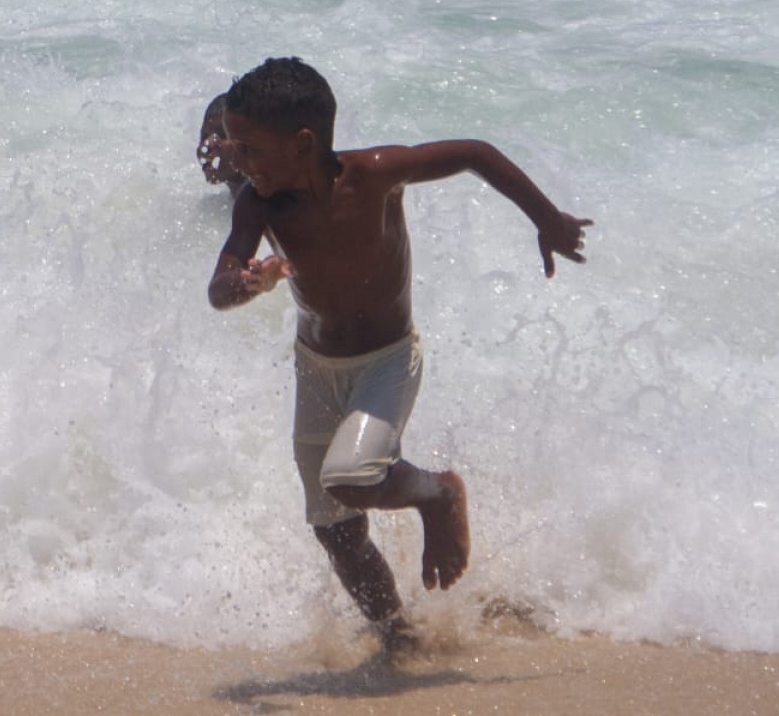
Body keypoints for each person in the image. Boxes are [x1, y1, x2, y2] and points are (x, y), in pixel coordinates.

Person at [204, 57, 589, 654]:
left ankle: (439, 495)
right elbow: (219, 286)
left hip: (386, 361)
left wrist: (547, 220)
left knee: (353, 477)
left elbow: (475, 154)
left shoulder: (374, 176)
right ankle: (399, 638)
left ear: (303, 144)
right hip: (316, 367)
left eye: (249, 147)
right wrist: (247, 283)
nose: (238, 161)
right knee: (336, 531)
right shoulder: (258, 205)